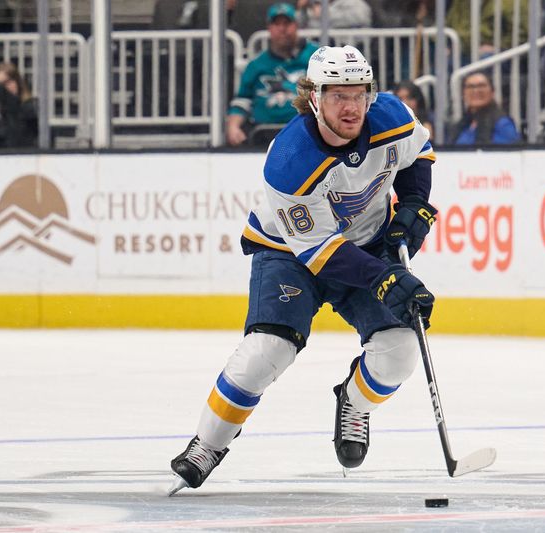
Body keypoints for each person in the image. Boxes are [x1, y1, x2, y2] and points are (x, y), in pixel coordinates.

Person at [168, 45, 437, 495]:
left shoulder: (392, 115)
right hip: (290, 254)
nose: (351, 107)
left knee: (400, 351)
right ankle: (209, 443)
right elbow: (318, 251)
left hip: (366, 246)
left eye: (359, 93)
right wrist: (385, 277)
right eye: (337, 95)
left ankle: (353, 403)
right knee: (267, 351)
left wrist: (412, 204)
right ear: (313, 97)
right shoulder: (290, 159)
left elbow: (419, 154)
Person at [226, 3, 319, 146]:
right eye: (277, 24)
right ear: (269, 28)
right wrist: (233, 126)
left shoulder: (315, 57)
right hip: (262, 136)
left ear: (296, 25)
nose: (282, 29)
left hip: (308, 135)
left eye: (287, 23)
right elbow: (242, 101)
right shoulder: (256, 65)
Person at [449, 71, 521, 145]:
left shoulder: (503, 124)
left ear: (492, 92)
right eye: (470, 86)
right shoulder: (462, 125)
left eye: (481, 86)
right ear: (463, 94)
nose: (476, 91)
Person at [295, 0, 372, 29]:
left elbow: (361, 17)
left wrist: (326, 13)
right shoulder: (314, 6)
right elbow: (298, 25)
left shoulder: (353, 2)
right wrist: (302, 9)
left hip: (352, 53)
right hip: (322, 55)